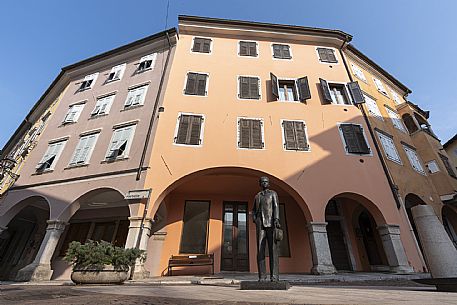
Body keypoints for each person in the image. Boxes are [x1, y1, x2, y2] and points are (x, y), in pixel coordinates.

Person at [252, 176, 280, 282]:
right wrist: (255, 219)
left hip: (271, 223)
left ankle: (274, 276)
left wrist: (276, 219)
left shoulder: (273, 194)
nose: (264, 183)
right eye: (262, 182)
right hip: (260, 225)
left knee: (273, 250)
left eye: (266, 182)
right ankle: (262, 276)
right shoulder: (257, 196)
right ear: (260, 184)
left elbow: (276, 206)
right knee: (260, 250)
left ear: (269, 183)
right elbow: (254, 209)